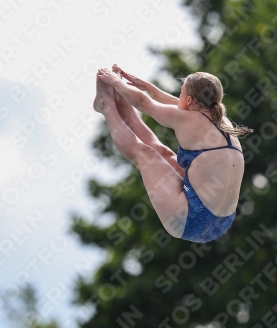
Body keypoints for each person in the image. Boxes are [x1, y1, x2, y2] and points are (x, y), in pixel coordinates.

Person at [93, 65, 253, 243]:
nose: (179, 97)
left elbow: (143, 104)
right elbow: (173, 103)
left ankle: (106, 105)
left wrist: (114, 81)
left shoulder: (188, 119)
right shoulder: (222, 121)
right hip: (222, 223)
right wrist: (146, 86)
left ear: (190, 99)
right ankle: (121, 103)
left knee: (145, 154)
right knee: (162, 153)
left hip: (191, 220)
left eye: (181, 92)